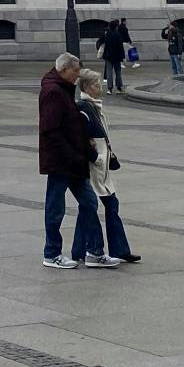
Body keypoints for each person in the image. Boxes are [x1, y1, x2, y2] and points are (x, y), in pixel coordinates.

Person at [37, 53, 103, 269]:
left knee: (89, 202)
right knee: (55, 207)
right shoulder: (53, 92)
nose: (77, 77)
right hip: (60, 161)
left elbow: (72, 126)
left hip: (73, 160)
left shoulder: (62, 89)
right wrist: (73, 153)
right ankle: (52, 253)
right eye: (75, 72)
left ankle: (94, 251)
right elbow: (51, 130)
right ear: (64, 70)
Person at [75, 70, 137, 266]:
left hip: (100, 167)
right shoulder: (84, 108)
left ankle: (83, 250)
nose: (99, 88)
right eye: (95, 85)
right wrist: (96, 157)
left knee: (93, 207)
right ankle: (94, 250)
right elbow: (81, 139)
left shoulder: (91, 107)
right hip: (94, 167)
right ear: (86, 87)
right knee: (98, 206)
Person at [100, 19, 127, 94]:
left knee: (109, 72)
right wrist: (123, 56)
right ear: (116, 27)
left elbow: (104, 44)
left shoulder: (107, 34)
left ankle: (109, 89)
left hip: (108, 56)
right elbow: (120, 47)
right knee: (118, 72)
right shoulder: (118, 35)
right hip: (117, 56)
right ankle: (118, 88)